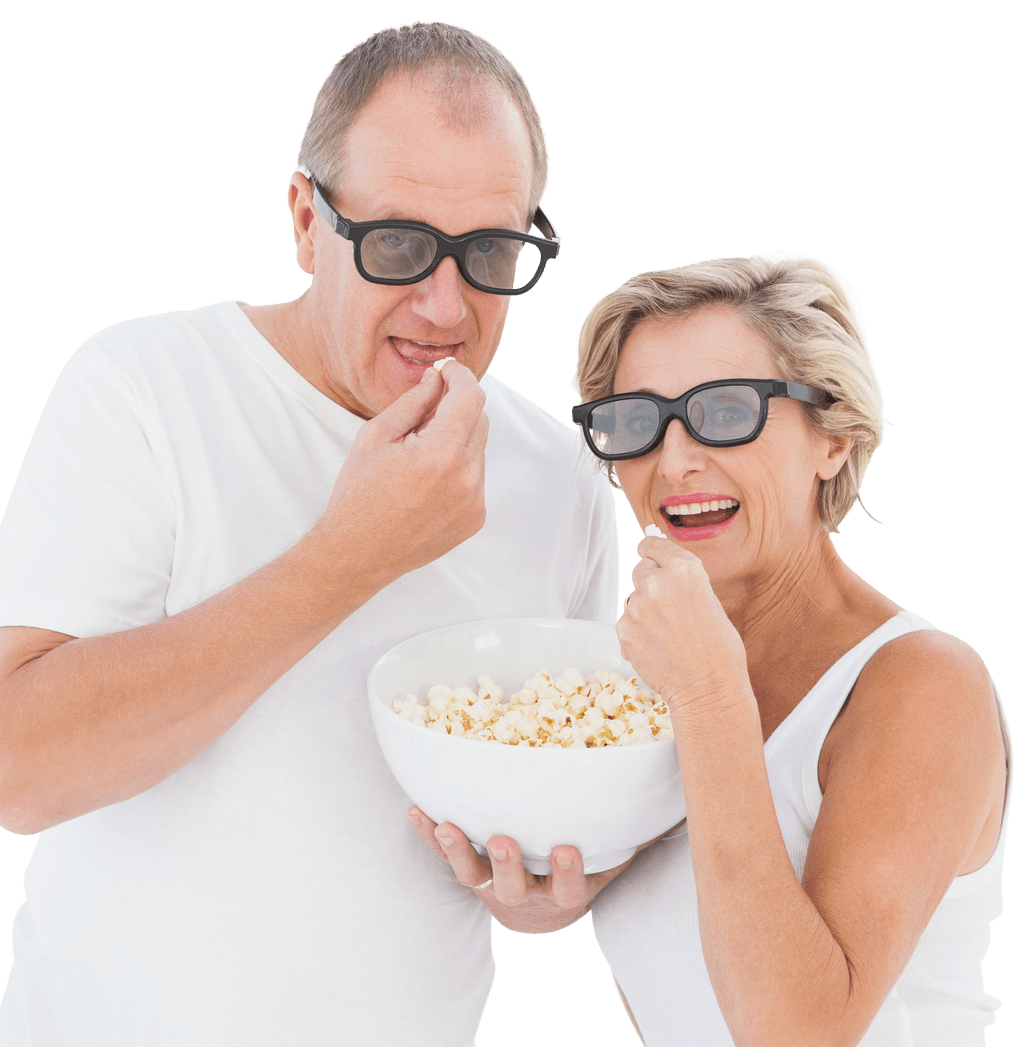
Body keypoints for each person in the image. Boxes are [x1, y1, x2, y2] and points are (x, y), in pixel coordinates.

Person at [0, 21, 618, 1046]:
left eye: (491, 252)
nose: (446, 305)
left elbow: (556, 822)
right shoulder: (143, 387)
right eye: (400, 244)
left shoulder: (563, 481)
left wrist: (543, 895)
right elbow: (18, 770)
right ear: (307, 220)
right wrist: (351, 556)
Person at [410, 252, 1012, 1045]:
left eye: (727, 409)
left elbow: (794, 1033)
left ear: (833, 435)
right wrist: (542, 897)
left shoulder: (923, 685)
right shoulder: (642, 682)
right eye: (634, 419)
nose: (674, 459)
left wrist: (709, 696)